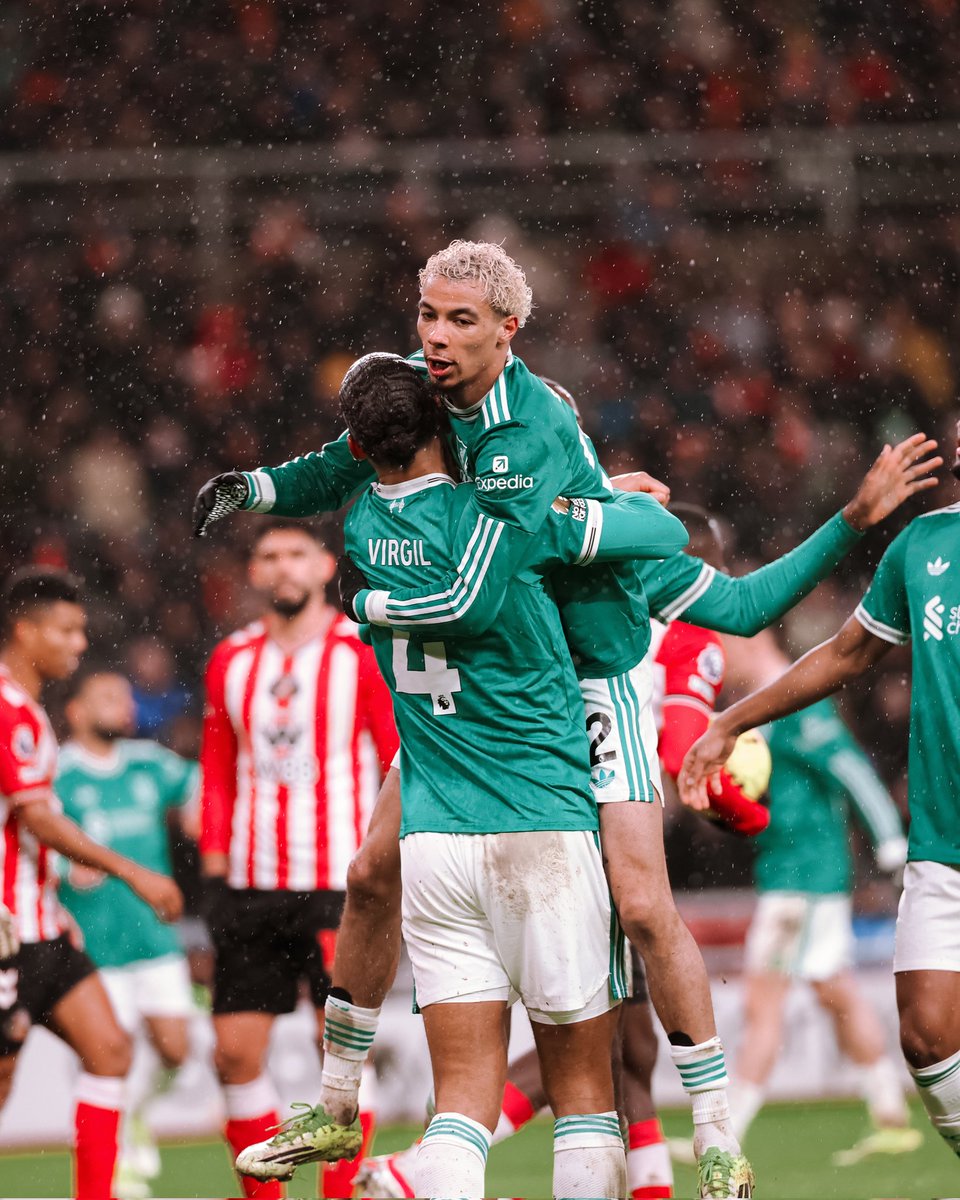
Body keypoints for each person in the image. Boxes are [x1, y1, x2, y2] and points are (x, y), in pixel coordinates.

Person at [196, 242, 936, 1198]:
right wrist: (255, 487)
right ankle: (339, 1104)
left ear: (511, 331)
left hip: (594, 685)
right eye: (428, 314)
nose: (435, 336)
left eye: (460, 321)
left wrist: (836, 517)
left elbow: (737, 602)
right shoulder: (428, 405)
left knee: (638, 900)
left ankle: (713, 1128)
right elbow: (341, 463)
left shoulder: (532, 444)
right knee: (372, 870)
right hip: (485, 695)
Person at [240, 354, 691, 1198]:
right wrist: (599, 498)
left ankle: (344, 1101)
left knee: (462, 1105)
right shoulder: (503, 522)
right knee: (589, 1095)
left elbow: (351, 466)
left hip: (438, 836)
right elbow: (662, 535)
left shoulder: (364, 532)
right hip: (539, 820)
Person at [679, 416, 960, 1162]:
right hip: (936, 848)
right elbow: (848, 651)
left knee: (792, 996)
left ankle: (730, 1126)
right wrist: (728, 725)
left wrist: (886, 840)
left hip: (811, 878)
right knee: (926, 1034)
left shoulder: (803, 729)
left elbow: (853, 771)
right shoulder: (924, 547)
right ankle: (881, 1106)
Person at [199, 520, 397, 1200]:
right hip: (251, 885)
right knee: (233, 1054)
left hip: (340, 884)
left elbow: (395, 755)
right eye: (268, 556)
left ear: (323, 567)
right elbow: (219, 766)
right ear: (253, 573)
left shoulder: (360, 650)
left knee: (337, 1052)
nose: (282, 568)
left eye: (295, 554)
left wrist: (388, 861)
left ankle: (339, 1195)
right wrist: (216, 867)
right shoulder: (231, 658)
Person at [0, 567, 183, 1200]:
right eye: (68, 630)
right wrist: (133, 871)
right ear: (27, 631)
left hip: (43, 924)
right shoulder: (7, 709)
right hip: (6, 935)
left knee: (110, 1050)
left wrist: (51, 896)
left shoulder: (30, 711)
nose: (80, 644)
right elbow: (39, 818)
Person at [707, 630, 921, 1166]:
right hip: (804, 874)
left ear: (751, 642)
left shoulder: (798, 700)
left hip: (800, 880)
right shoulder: (771, 706)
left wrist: (892, 846)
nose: (719, 659)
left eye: (724, 645)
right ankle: (891, 1113)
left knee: (764, 1004)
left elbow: (851, 769)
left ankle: (725, 1136)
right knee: (836, 991)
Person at [56, 670, 199, 1198]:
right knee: (105, 1057)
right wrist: (58, 863)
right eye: (107, 697)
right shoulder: (58, 773)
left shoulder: (148, 761)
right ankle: (112, 1155)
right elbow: (28, 831)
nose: (123, 706)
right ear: (75, 711)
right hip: (94, 945)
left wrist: (196, 812)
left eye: (125, 697)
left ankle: (136, 1115)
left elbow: (201, 785)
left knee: (177, 1051)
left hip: (155, 937)